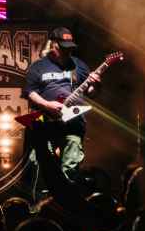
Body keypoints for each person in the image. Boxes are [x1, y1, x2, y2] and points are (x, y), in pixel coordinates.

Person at [22, 27, 99, 186]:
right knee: (38, 165)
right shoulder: (38, 67)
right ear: (53, 45)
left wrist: (96, 85)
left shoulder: (78, 66)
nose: (67, 51)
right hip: (45, 123)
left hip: (72, 124)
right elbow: (30, 92)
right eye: (63, 48)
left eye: (69, 48)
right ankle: (40, 197)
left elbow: (91, 93)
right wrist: (47, 104)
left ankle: (67, 195)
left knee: (70, 166)